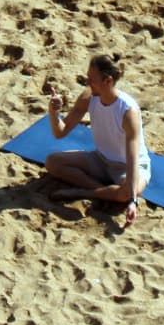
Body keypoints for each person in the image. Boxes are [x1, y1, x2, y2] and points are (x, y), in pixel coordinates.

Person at [44, 53, 151, 225]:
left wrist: (132, 201)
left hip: (127, 166)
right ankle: (103, 191)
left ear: (107, 81)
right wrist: (53, 113)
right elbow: (60, 132)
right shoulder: (88, 97)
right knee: (52, 162)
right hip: (100, 159)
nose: (87, 83)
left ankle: (84, 192)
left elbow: (132, 157)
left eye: (92, 79)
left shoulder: (128, 111)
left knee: (126, 193)